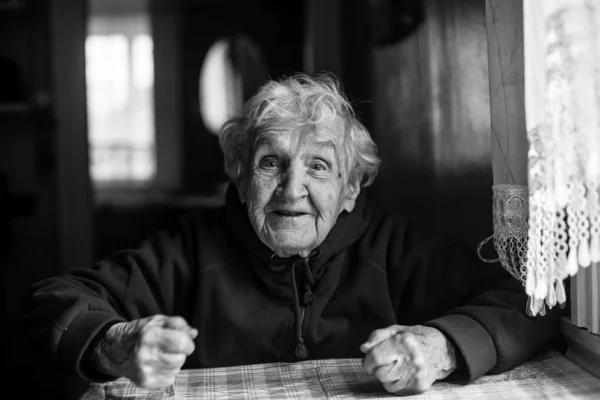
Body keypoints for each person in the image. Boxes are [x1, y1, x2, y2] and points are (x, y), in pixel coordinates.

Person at [20, 74, 560, 396]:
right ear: (238, 172)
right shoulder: (186, 251)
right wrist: (118, 343)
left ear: (350, 188)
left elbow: (529, 301)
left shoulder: (396, 251)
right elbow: (51, 302)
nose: (292, 189)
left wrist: (441, 348)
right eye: (270, 162)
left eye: (320, 167)